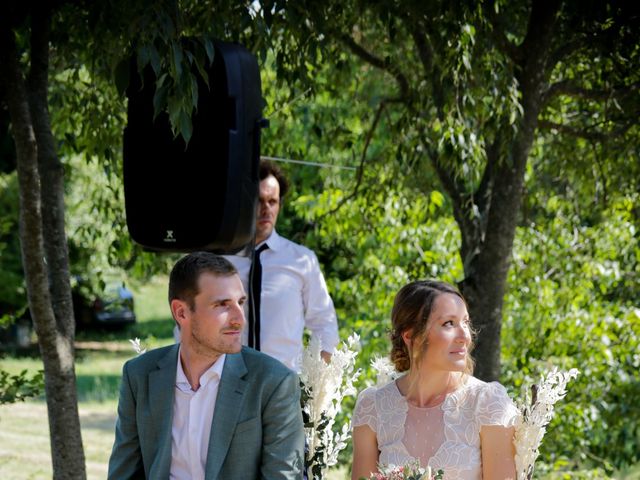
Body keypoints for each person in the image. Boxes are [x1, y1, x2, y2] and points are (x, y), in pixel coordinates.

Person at [108, 252, 305, 479]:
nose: (239, 319)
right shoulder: (139, 376)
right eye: (222, 305)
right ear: (181, 312)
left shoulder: (273, 383)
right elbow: (123, 473)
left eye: (240, 303)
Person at [351, 280, 519, 480]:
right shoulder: (372, 408)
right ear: (411, 335)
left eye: (465, 322)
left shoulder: (488, 403)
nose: (464, 336)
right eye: (449, 323)